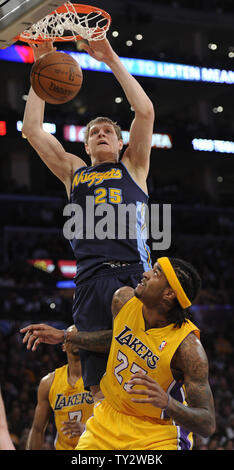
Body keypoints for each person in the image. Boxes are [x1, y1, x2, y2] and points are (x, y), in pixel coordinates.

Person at [22, 37, 154, 396]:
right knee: (98, 390)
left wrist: (109, 57)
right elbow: (31, 130)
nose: (101, 134)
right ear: (85, 145)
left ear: (120, 142)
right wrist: (42, 66)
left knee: (141, 377)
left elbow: (144, 111)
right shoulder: (74, 171)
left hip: (133, 276)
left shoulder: (133, 166)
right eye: (94, 132)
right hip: (89, 283)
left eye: (108, 131)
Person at [20, 257, 216, 450]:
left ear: (169, 294)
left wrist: (168, 403)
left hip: (155, 434)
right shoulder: (123, 300)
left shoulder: (188, 348)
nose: (146, 274)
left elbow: (207, 424)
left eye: (155, 273)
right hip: (108, 418)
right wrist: (65, 336)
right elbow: (115, 339)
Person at [26, 325, 94, 450]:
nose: (75, 341)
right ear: (63, 346)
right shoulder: (49, 382)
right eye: (71, 338)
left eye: (79, 337)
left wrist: (87, 429)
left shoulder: (99, 377)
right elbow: (37, 429)